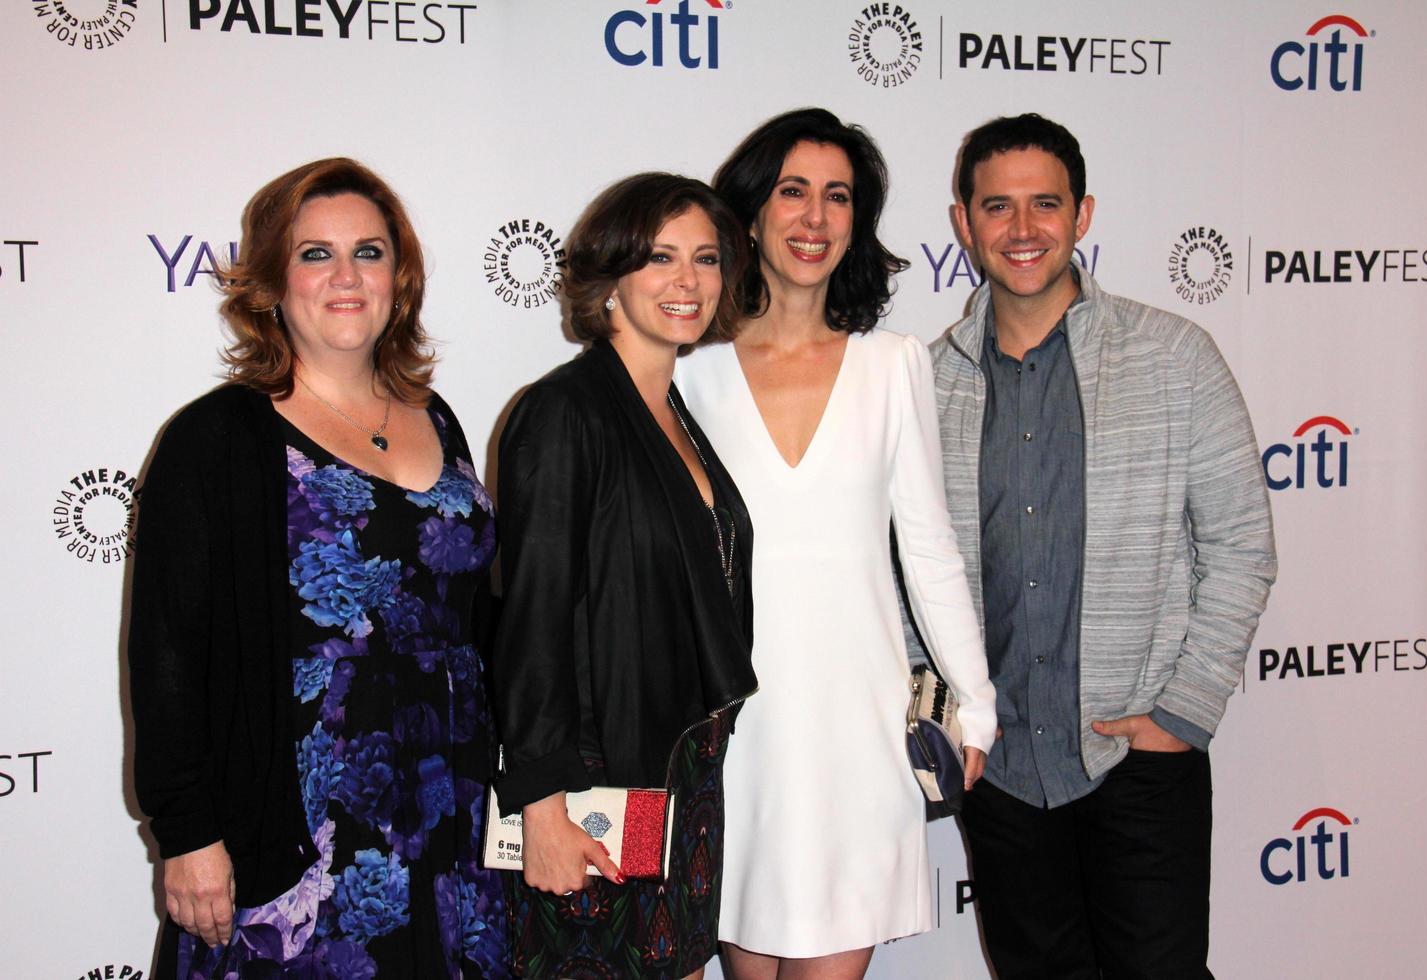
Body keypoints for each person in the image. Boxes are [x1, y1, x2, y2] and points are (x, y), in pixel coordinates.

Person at [128, 158, 508, 979]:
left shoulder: (435, 417)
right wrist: (188, 831)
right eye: (315, 254)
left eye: (369, 253)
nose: (346, 276)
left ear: (398, 279)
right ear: (271, 279)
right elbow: (166, 652)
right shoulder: (218, 438)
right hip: (301, 817)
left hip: (451, 801)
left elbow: (469, 607)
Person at [925, 113, 1278, 978]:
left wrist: (1183, 710)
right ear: (964, 222)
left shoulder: (1175, 358)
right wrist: (940, 716)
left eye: (1044, 204)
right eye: (997, 207)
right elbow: (906, 571)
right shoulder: (926, 383)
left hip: (1137, 759)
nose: (1022, 230)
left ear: (1082, 215)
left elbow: (1240, 546)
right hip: (999, 772)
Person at [675, 107, 997, 979]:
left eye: (838, 197)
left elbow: (927, 548)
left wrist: (975, 697)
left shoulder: (893, 364)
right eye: (792, 192)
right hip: (737, 727)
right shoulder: (689, 373)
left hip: (857, 723)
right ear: (750, 213)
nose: (814, 218)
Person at [492, 172, 757, 980]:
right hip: (594, 787)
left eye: (706, 259)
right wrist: (540, 805)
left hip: (675, 774)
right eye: (661, 257)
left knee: (666, 967)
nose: (688, 281)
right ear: (610, 275)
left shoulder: (675, 414)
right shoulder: (566, 413)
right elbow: (530, 617)